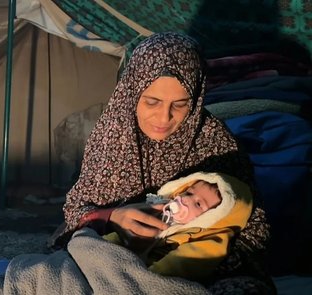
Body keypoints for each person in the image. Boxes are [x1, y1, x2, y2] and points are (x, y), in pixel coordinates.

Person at [49, 32, 274, 293]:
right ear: (132, 92)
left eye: (180, 104)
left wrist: (201, 250)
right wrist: (113, 217)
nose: (164, 117)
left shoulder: (217, 144)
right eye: (152, 102)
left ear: (197, 97)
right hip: (113, 256)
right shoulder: (111, 136)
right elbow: (76, 209)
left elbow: (255, 230)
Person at [103, 171, 253, 282]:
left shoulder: (211, 240)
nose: (186, 199)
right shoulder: (160, 209)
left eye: (198, 204)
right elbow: (125, 231)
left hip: (151, 275)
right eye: (188, 192)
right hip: (118, 260)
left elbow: (181, 263)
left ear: (214, 218)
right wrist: (103, 244)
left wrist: (147, 277)